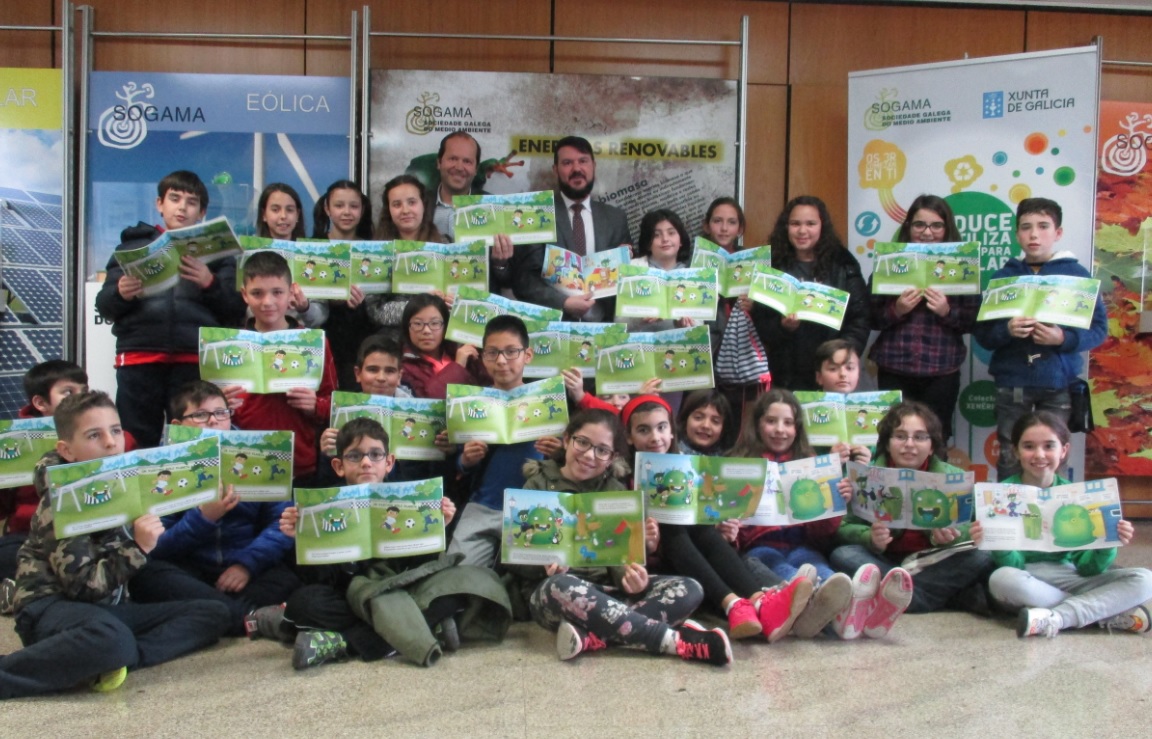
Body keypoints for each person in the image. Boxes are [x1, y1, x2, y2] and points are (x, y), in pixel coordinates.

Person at [0, 392, 230, 699]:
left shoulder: (124, 483)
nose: (111, 443)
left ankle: (115, 660)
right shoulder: (64, 499)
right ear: (67, 451)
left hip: (109, 611)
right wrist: (137, 547)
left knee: (212, 613)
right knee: (108, 638)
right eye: (94, 435)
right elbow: (83, 587)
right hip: (50, 608)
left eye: (116, 431)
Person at [262, 418, 511, 668]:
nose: (366, 463)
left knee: (467, 585)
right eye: (354, 456)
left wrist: (438, 528)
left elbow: (421, 569)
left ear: (389, 462)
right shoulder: (322, 505)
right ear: (338, 465)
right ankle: (418, 629)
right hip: (355, 596)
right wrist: (302, 539)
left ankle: (342, 641)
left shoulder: (408, 500)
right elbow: (316, 578)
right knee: (305, 602)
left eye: (375, 454)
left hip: (400, 589)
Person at [514, 409, 731, 665]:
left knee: (690, 588)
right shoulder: (536, 484)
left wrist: (631, 574)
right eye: (582, 442)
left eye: (602, 450)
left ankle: (591, 637)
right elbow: (515, 558)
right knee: (558, 586)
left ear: (612, 457)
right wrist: (546, 566)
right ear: (566, 439)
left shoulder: (616, 491)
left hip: (610, 593)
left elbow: (619, 557)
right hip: (557, 596)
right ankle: (674, 642)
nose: (589, 456)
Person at [623, 394, 813, 641]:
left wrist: (725, 531)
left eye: (661, 428)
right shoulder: (624, 478)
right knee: (671, 522)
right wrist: (648, 543)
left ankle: (757, 602)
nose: (655, 437)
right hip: (657, 567)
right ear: (629, 436)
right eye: (643, 430)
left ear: (672, 431)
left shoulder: (687, 469)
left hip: (698, 560)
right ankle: (738, 603)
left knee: (698, 524)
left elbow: (709, 535)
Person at [732, 389, 908, 640]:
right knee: (771, 566)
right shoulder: (741, 464)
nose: (779, 429)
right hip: (760, 548)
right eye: (771, 421)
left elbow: (823, 532)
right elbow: (732, 535)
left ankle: (847, 605)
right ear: (757, 424)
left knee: (823, 573)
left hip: (803, 545)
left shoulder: (811, 462)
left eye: (788, 422)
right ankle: (850, 609)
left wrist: (836, 502)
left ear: (798, 427)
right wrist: (732, 528)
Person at [94, 169, 247, 447]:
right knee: (136, 441)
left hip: (195, 361)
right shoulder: (132, 247)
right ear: (159, 204)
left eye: (191, 202)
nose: (182, 207)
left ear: (202, 211)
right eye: (175, 198)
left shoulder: (220, 250)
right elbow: (104, 306)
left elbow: (235, 310)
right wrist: (121, 293)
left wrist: (209, 282)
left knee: (196, 442)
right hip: (140, 358)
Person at [134, 381, 300, 636]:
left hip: (247, 565)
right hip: (191, 570)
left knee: (291, 574)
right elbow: (158, 545)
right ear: (177, 425)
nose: (214, 422)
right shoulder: (160, 468)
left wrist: (246, 565)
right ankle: (246, 617)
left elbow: (281, 523)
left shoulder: (258, 453)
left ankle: (218, 615)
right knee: (146, 574)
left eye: (221, 413)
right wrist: (204, 518)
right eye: (200, 415)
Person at [971, 412, 1152, 638]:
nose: (1039, 455)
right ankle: (1104, 613)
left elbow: (1089, 569)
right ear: (1016, 451)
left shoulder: (1075, 495)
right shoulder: (1002, 496)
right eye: (1029, 446)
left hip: (1070, 576)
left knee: (1145, 579)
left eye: (1049, 446)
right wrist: (997, 540)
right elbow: (1014, 565)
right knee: (1001, 579)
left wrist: (1108, 541)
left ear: (1063, 450)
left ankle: (1058, 618)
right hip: (1028, 579)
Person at [973, 197, 1107, 481]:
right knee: (1010, 452)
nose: (1034, 234)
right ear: (1017, 233)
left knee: (1053, 455)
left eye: (1043, 226)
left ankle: (1052, 516)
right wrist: (1007, 330)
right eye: (1026, 227)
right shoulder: (1004, 277)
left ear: (1058, 233)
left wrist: (1063, 338)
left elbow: (1098, 329)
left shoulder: (1077, 275)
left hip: (1058, 383)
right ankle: (1008, 515)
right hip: (1012, 382)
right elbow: (983, 334)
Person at [831, 401, 994, 615]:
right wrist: (869, 537)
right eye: (900, 436)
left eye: (919, 437)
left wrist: (950, 536)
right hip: (884, 561)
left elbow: (972, 528)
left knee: (982, 555)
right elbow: (844, 526)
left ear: (932, 446)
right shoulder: (864, 475)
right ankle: (934, 598)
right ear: (887, 443)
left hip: (931, 562)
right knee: (843, 555)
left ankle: (897, 597)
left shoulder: (951, 477)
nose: (909, 444)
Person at [445, 316, 553, 569]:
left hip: (532, 506)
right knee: (455, 575)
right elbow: (459, 464)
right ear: (483, 357)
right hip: (483, 504)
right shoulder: (471, 402)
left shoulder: (549, 403)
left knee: (530, 578)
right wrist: (466, 460)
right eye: (492, 353)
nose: (501, 360)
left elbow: (569, 462)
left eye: (511, 352)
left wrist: (558, 453)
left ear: (528, 355)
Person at [869, 194, 979, 441]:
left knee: (935, 437)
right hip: (894, 365)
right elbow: (870, 317)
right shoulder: (889, 261)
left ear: (947, 228)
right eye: (919, 225)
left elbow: (973, 321)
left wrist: (946, 312)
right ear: (908, 227)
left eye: (936, 226)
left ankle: (933, 481)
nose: (927, 232)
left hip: (942, 368)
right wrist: (896, 310)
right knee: (893, 437)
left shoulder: (963, 265)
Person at [223, 251, 338, 485]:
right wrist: (220, 405)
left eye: (277, 292)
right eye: (257, 293)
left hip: (300, 465)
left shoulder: (313, 344)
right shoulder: (228, 346)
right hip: (242, 463)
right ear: (244, 295)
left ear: (291, 293)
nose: (268, 302)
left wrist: (315, 405)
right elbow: (208, 411)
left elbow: (335, 405)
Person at [749, 195, 869, 391]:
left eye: (810, 223)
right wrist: (782, 326)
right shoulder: (772, 264)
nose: (802, 231)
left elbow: (861, 318)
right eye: (795, 224)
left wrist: (842, 358)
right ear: (786, 227)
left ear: (822, 226)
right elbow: (760, 322)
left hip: (832, 373)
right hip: (785, 374)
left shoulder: (842, 262)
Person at [512, 135, 632, 321]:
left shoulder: (616, 219)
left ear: (594, 165)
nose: (577, 169)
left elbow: (628, 280)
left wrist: (628, 263)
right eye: (567, 163)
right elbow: (525, 281)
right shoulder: (537, 215)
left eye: (583, 161)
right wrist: (563, 303)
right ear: (556, 170)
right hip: (554, 329)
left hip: (604, 330)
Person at [396, 294, 485, 400]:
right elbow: (428, 402)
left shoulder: (460, 352)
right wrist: (458, 366)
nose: (426, 331)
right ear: (407, 328)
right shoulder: (402, 367)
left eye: (434, 323)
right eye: (418, 324)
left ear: (446, 326)